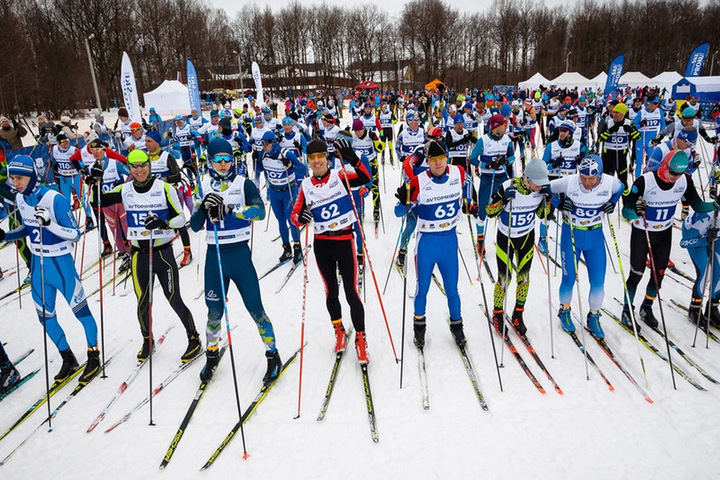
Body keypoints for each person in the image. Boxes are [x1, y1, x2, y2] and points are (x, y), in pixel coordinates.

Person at [1, 155, 100, 383]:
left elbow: (76, 233)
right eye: (13, 178)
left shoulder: (54, 198)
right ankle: (67, 357)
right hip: (38, 267)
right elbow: (28, 228)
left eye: (20, 178)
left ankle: (93, 355)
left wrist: (50, 224)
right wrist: (6, 235)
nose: (16, 183)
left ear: (32, 176)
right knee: (45, 317)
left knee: (81, 313)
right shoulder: (20, 198)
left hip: (61, 264)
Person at [190, 139, 282, 383]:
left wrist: (232, 210)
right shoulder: (204, 185)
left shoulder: (244, 183)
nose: (222, 164)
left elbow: (260, 212)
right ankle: (211, 355)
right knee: (214, 312)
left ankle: (273, 355)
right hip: (215, 256)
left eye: (227, 159)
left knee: (256, 309)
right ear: (210, 161)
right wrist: (203, 208)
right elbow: (195, 226)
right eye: (217, 159)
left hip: (240, 255)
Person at [101, 149, 201, 362]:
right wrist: (95, 179)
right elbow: (101, 200)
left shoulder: (164, 188)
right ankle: (147, 340)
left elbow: (181, 220)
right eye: (134, 166)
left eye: (143, 165)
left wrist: (163, 223)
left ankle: (194, 338)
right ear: (129, 168)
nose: (139, 170)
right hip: (139, 254)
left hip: (162, 253)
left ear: (149, 165)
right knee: (143, 302)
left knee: (174, 299)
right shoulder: (125, 189)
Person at [290, 138, 371, 363]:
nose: (317, 162)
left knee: (351, 292)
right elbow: (294, 216)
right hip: (322, 243)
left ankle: (361, 339)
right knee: (330, 291)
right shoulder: (305, 186)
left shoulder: (339, 176)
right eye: (312, 158)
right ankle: (339, 331)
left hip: (344, 240)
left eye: (320, 157)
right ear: (308, 161)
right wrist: (301, 218)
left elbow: (365, 177)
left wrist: (354, 158)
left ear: (327, 157)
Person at [621, 149, 717, 331]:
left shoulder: (684, 180)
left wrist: (715, 204)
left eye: (679, 173)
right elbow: (626, 210)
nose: (675, 177)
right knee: (637, 273)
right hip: (643, 232)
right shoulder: (645, 181)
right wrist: (636, 211)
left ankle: (647, 307)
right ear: (665, 165)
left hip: (664, 233)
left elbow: (697, 205)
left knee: (659, 274)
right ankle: (627, 309)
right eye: (673, 172)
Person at [394, 139, 472, 348]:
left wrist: (470, 204)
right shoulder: (418, 182)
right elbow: (398, 212)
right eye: (433, 160)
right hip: (427, 242)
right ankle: (419, 328)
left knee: (452, 289)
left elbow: (469, 185)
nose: (438, 164)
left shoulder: (458, 173)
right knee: (423, 289)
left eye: (441, 158)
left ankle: (457, 326)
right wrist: (404, 202)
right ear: (427, 162)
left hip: (449, 241)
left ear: (447, 158)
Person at [549, 155, 623, 339]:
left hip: (595, 236)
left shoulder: (609, 182)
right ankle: (564, 311)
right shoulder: (570, 181)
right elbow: (546, 187)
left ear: (599, 175)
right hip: (571, 234)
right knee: (569, 278)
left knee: (598, 281)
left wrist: (612, 202)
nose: (587, 182)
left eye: (591, 178)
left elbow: (621, 187)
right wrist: (558, 203)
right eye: (583, 177)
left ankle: (594, 316)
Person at [486, 158, 550, 335]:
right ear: (526, 178)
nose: (540, 187)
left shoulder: (541, 191)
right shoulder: (508, 185)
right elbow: (489, 212)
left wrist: (548, 201)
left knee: (523, 278)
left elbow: (542, 215)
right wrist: (503, 200)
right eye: (537, 183)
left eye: (542, 184)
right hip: (506, 237)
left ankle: (518, 314)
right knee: (504, 278)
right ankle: (498, 314)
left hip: (527, 237)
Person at [144, 130, 194, 267]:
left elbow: (177, 175)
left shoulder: (167, 157)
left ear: (157, 142)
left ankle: (187, 251)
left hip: (169, 195)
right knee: (153, 223)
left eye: (149, 141)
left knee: (179, 223)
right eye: (145, 141)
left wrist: (164, 179)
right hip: (153, 196)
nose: (146, 143)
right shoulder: (146, 158)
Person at [468, 113, 515, 256]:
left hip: (502, 178)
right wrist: (487, 164)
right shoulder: (483, 140)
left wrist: (505, 162)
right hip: (487, 180)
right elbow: (472, 159)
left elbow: (512, 156)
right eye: (503, 125)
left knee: (506, 208)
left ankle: (505, 238)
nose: (506, 127)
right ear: (496, 127)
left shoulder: (507, 139)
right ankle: (480, 240)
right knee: (483, 211)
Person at [257, 130, 306, 264]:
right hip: (274, 192)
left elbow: (303, 169)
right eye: (262, 144)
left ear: (273, 143)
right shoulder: (263, 154)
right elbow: (259, 169)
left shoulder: (286, 154)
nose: (263, 146)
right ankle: (287, 248)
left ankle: (297, 247)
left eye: (266, 144)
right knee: (280, 221)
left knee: (291, 220)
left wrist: (291, 165)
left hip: (288, 191)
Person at [84, 139, 131, 271]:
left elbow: (132, 173)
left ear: (104, 149)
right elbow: (91, 184)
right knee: (115, 232)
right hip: (105, 204)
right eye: (92, 150)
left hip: (119, 202)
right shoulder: (91, 167)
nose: (95, 153)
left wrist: (125, 186)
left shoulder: (114, 164)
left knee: (127, 230)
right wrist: (89, 180)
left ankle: (135, 253)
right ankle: (124, 256)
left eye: (98, 149)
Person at [680, 209, 720, 328]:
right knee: (705, 272)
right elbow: (684, 243)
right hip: (697, 238)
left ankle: (712, 309)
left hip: (715, 236)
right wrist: (705, 240)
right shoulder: (706, 215)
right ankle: (695, 309)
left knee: (719, 271)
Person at [598, 102, 640, 190]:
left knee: (623, 181)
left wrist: (631, 131)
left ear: (623, 114)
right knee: (606, 181)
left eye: (617, 112)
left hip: (621, 156)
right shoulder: (608, 123)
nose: (614, 114)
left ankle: (626, 201)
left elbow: (638, 138)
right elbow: (600, 139)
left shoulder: (629, 123)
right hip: (607, 156)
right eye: (614, 112)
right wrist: (610, 131)